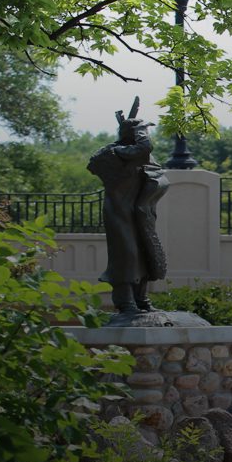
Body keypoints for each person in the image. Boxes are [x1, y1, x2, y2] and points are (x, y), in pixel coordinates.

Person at [88, 99, 169, 315]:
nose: (142, 134)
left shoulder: (141, 157)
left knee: (144, 254)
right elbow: (145, 147)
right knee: (127, 255)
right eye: (139, 131)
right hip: (119, 212)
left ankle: (141, 298)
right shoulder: (114, 153)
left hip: (139, 214)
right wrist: (141, 128)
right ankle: (125, 302)